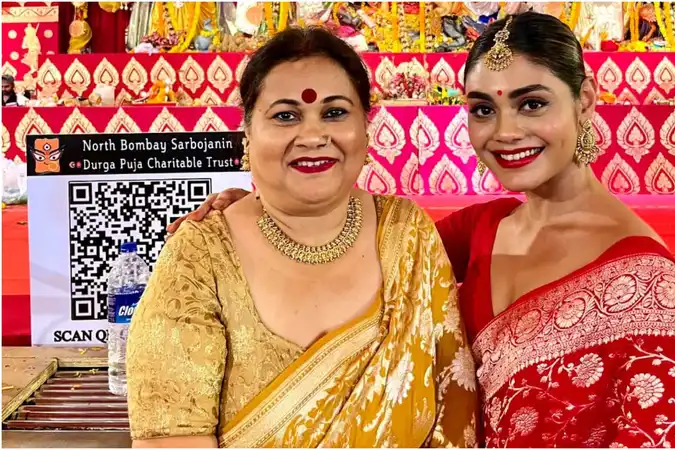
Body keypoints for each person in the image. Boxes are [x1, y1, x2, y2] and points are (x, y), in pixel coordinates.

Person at [170, 12, 675, 448]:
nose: (506, 132)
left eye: (532, 103)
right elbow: (358, 247)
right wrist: (271, 202)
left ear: (584, 101)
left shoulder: (645, 282)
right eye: (483, 109)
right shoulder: (480, 228)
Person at [126, 27, 478, 448]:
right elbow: (170, 437)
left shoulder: (408, 233)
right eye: (285, 116)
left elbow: (453, 410)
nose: (313, 137)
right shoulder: (202, 254)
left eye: (334, 113)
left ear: (367, 130)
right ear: (247, 133)